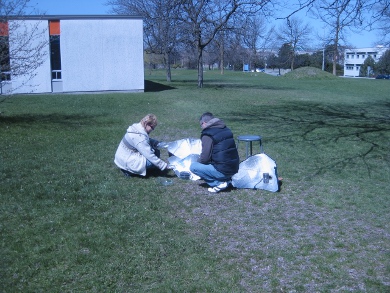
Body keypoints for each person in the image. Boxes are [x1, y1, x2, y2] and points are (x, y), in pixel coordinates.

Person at [190, 112, 239, 193]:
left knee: (193, 166)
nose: (201, 128)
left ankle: (219, 183)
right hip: (234, 168)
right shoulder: (226, 129)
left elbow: (205, 158)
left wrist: (198, 161)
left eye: (201, 125)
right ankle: (227, 180)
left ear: (204, 123)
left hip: (222, 170)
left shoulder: (207, 135)